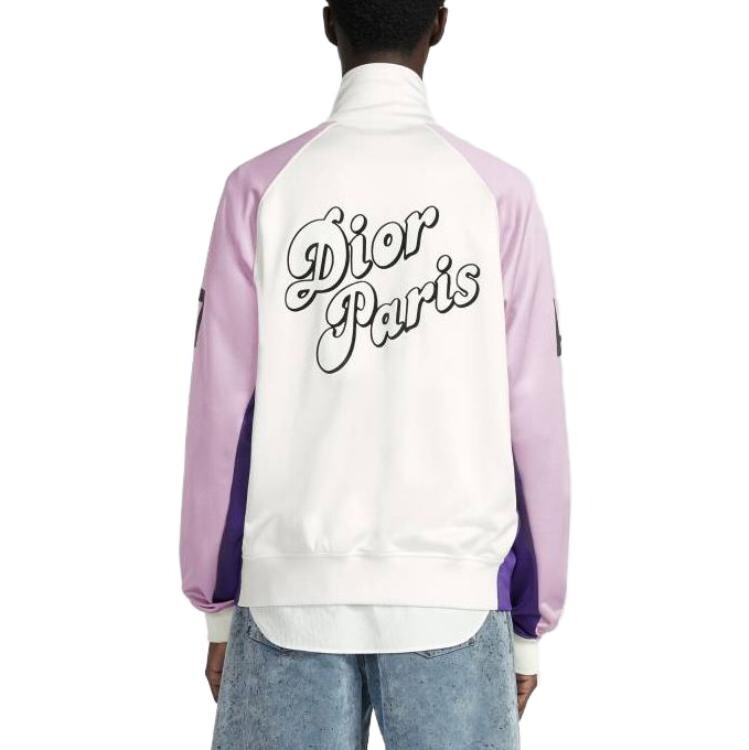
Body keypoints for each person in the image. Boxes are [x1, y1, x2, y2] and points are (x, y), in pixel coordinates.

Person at [180, 1, 570, 747]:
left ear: (330, 23)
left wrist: (219, 607)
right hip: (456, 598)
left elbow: (221, 415)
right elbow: (534, 421)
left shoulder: (260, 188)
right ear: (440, 24)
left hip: (290, 595)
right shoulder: (498, 195)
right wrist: (530, 623)